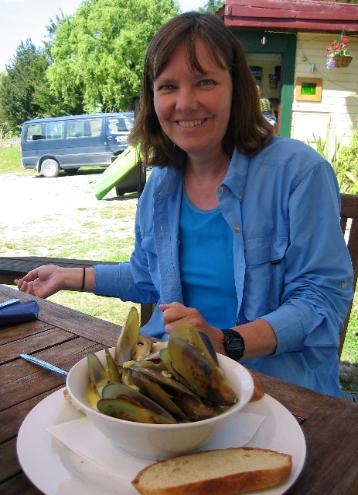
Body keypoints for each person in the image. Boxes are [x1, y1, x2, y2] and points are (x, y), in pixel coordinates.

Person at [16, 12, 353, 397]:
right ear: (152, 99)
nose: (185, 103)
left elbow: (321, 301)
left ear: (236, 88)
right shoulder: (161, 184)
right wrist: (68, 276)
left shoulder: (298, 172)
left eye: (205, 82)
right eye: (168, 86)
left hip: (275, 389)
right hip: (174, 377)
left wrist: (227, 341)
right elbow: (147, 276)